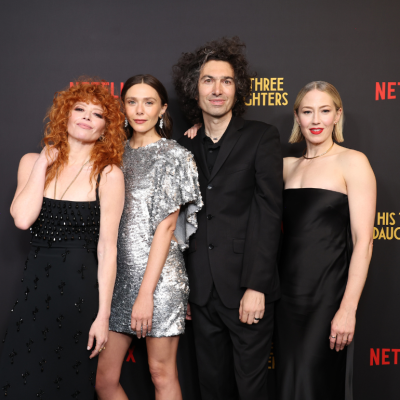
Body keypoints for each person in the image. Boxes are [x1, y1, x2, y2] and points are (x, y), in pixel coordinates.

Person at [0, 80, 126, 399]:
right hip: (34, 288)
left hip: (80, 294)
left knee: (68, 384)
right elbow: (23, 218)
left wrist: (103, 316)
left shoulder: (109, 174)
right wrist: (44, 162)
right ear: (65, 115)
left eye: (97, 114)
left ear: (104, 129)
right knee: (21, 380)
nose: (86, 117)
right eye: (80, 109)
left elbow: (108, 248)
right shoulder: (31, 162)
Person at [173, 37, 283, 400]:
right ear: (195, 88)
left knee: (251, 389)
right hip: (201, 293)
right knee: (210, 388)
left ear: (238, 89)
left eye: (226, 80)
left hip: (246, 290)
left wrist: (257, 286)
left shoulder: (262, 137)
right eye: (208, 80)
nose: (217, 89)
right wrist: (186, 289)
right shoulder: (184, 145)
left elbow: (269, 214)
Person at [95, 74, 202, 400]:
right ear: (123, 107)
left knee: (161, 374)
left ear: (162, 109)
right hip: (117, 279)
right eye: (132, 101)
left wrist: (145, 295)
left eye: (149, 102)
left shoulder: (174, 156)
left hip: (159, 282)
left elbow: (167, 229)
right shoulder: (111, 155)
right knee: (104, 381)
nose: (140, 110)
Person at [274, 81, 376, 400]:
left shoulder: (353, 162)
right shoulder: (285, 167)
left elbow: (364, 242)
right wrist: (202, 127)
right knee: (288, 386)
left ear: (337, 115)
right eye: (307, 111)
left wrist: (348, 309)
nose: (316, 120)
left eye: (324, 111)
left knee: (313, 386)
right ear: (297, 117)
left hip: (327, 298)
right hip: (285, 300)